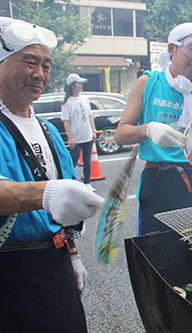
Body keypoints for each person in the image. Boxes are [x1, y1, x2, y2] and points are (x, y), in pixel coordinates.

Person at [0, 17, 104, 332]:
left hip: (55, 261)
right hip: (10, 271)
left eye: (46, 65)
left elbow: (63, 207)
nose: (40, 73)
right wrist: (44, 194)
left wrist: (72, 254)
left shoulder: (47, 129)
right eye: (29, 62)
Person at [114, 22, 192, 235]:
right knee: (161, 253)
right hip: (160, 181)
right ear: (172, 49)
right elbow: (121, 134)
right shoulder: (148, 83)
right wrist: (149, 129)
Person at [61, 73, 97, 192]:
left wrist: (93, 130)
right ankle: (69, 182)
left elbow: (90, 116)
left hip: (87, 135)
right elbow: (66, 121)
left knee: (87, 160)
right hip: (76, 137)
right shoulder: (67, 103)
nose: (81, 85)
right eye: (78, 83)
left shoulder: (84, 99)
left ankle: (87, 182)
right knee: (73, 161)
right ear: (72, 85)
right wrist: (70, 137)